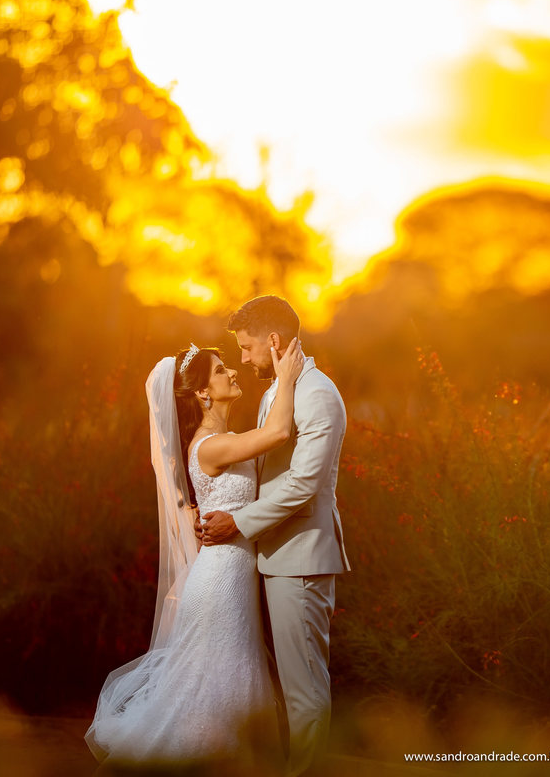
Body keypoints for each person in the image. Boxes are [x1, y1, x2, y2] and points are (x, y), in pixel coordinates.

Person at [86, 337, 305, 764]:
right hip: (219, 586)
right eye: (221, 370)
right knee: (209, 699)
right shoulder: (209, 446)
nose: (233, 371)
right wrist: (285, 378)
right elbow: (278, 432)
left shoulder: (225, 439)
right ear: (203, 392)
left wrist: (192, 509)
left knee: (225, 691)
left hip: (233, 582)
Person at [198, 295, 351, 776]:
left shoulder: (317, 394)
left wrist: (239, 522)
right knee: (290, 686)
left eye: (246, 348)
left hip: (301, 557)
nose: (244, 359)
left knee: (305, 690)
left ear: (274, 340)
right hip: (274, 556)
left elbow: (304, 484)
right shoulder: (278, 392)